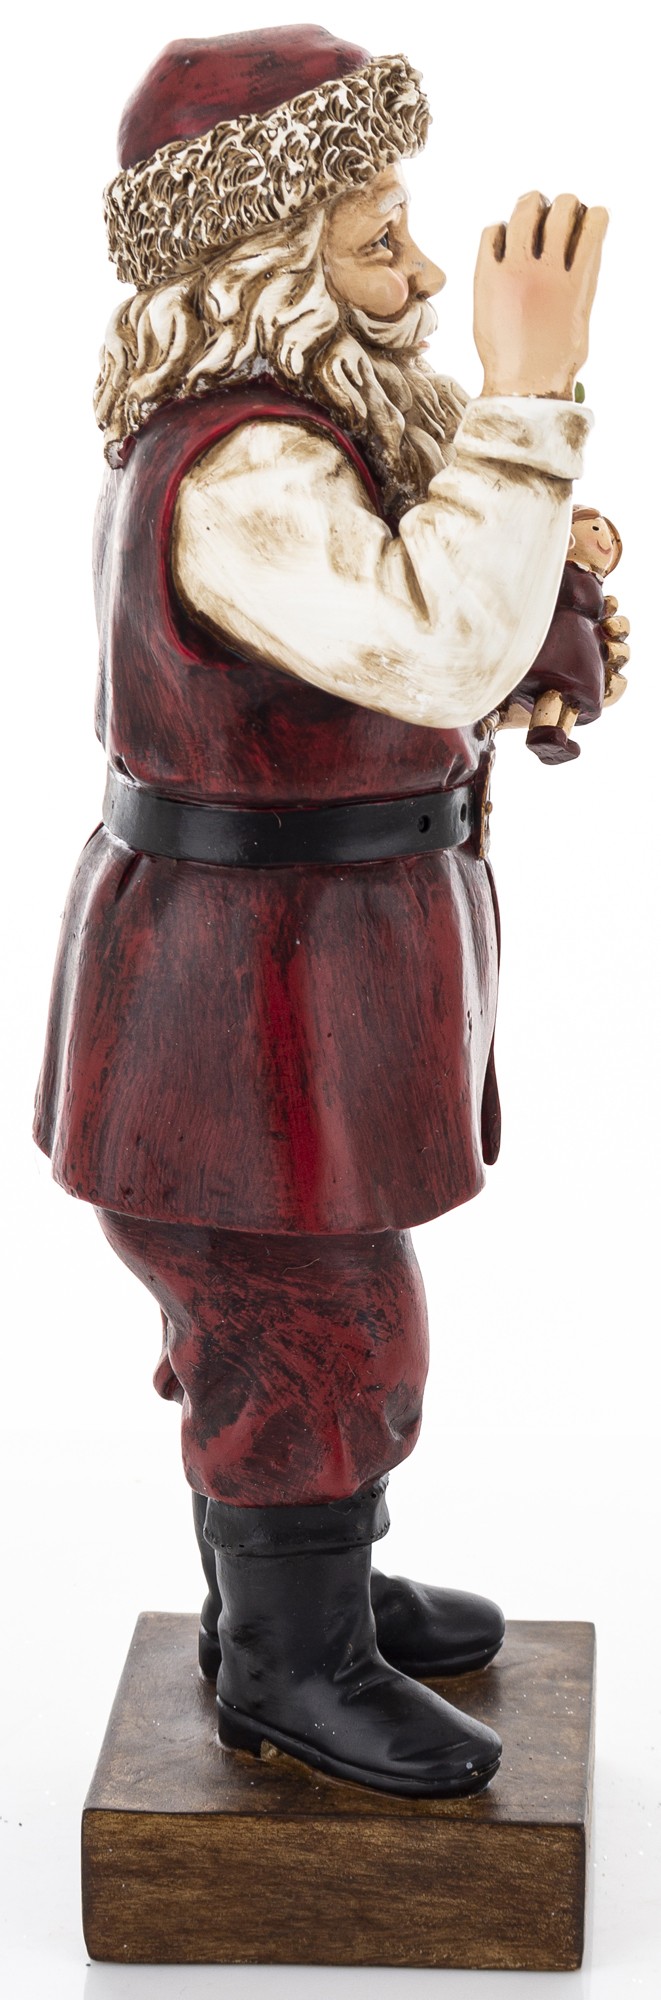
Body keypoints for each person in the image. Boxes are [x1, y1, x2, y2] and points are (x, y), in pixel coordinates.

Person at [35, 26, 613, 1797]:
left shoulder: (312, 447)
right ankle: (292, 1664)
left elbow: (425, 642)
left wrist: (537, 624)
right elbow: (430, 638)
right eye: (376, 240)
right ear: (265, 264)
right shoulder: (243, 474)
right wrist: (529, 394)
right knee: (311, 1323)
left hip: (302, 967)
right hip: (232, 1000)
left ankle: (305, 1595)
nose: (423, 276)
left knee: (301, 1313)